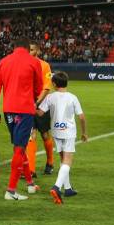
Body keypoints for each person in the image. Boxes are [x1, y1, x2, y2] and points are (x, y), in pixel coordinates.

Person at [0, 37, 43, 201]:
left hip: (8, 111)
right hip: (25, 110)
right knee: (20, 148)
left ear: (13, 47)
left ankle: (29, 183)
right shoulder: (33, 62)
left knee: (18, 147)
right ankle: (11, 190)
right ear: (28, 48)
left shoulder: (4, 61)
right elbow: (39, 87)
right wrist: (33, 100)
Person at [38, 72, 88, 204]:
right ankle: (56, 187)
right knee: (68, 160)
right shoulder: (72, 97)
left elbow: (40, 113)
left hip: (56, 131)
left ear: (54, 84)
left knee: (62, 158)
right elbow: (82, 117)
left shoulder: (50, 97)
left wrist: (30, 106)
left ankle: (68, 188)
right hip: (69, 132)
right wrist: (84, 133)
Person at [27, 42, 55, 177]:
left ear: (37, 51)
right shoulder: (24, 65)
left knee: (45, 135)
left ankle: (50, 162)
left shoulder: (44, 65)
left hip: (41, 105)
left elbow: (47, 87)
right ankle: (31, 169)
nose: (29, 52)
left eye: (32, 50)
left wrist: (36, 102)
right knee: (31, 136)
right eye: (28, 50)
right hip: (27, 105)